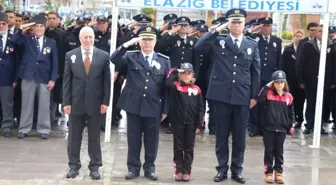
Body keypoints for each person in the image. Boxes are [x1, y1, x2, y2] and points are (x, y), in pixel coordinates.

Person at [194, 8, 260, 184]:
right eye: (233, 22)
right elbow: (198, 46)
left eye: (239, 22)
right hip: (221, 95)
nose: (236, 25)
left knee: (239, 136)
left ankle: (237, 170)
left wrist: (254, 96)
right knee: (221, 135)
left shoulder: (252, 44)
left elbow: (255, 72)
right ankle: (222, 169)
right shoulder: (219, 41)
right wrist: (216, 29)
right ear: (229, 24)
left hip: (242, 95)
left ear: (244, 24)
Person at [110, 26, 170, 181]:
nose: (147, 42)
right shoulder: (130, 56)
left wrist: (166, 108)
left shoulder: (164, 60)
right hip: (134, 104)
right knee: (133, 138)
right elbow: (113, 59)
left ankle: (150, 168)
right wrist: (126, 45)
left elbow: (167, 87)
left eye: (150, 39)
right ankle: (133, 168)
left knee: (152, 139)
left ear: (155, 41)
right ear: (139, 41)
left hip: (154, 105)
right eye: (144, 39)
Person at [63, 26, 111, 180]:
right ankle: (73, 165)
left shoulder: (103, 56)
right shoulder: (70, 55)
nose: (88, 40)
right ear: (80, 39)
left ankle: (95, 166)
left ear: (94, 38)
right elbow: (67, 81)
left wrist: (105, 101)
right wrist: (66, 102)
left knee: (94, 137)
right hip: (75, 102)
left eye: (91, 37)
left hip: (96, 104)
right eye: (85, 37)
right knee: (74, 137)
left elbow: (107, 82)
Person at [11, 15, 58, 139]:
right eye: (36, 26)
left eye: (41, 26)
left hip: (44, 76)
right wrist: (22, 28)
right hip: (28, 75)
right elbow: (14, 41)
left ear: (45, 27)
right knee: (26, 104)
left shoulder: (51, 42)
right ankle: (24, 128)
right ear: (33, 27)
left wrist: (53, 79)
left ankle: (44, 129)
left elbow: (55, 62)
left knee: (44, 104)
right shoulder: (27, 39)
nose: (39, 28)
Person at [166, 63, 204, 182]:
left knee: (189, 148)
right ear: (180, 75)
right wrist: (175, 70)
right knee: (178, 147)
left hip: (191, 124)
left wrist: (199, 124)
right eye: (183, 74)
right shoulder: (176, 86)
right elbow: (168, 81)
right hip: (178, 123)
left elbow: (200, 108)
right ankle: (178, 170)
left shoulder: (196, 89)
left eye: (188, 74)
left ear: (192, 75)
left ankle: (187, 170)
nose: (186, 76)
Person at [256, 70, 295, 184]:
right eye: (277, 82)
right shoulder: (268, 94)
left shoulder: (288, 97)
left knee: (279, 151)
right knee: (269, 151)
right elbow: (259, 100)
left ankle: (279, 172)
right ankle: (268, 172)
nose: (279, 85)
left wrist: (291, 124)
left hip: (282, 129)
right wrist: (266, 88)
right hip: (269, 128)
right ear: (273, 83)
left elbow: (291, 113)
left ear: (285, 83)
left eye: (282, 82)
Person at [248, 17, 282, 137]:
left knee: (268, 103)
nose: (266, 28)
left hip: (270, 77)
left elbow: (279, 60)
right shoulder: (253, 38)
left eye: (268, 26)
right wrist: (252, 31)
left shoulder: (276, 41)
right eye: (263, 25)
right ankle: (253, 127)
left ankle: (265, 127)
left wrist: (278, 77)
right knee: (255, 100)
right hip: (256, 76)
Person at [297, 24, 332, 135]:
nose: (321, 33)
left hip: (325, 81)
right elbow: (300, 63)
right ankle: (309, 124)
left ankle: (320, 125)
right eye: (319, 31)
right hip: (310, 80)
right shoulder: (307, 45)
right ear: (315, 33)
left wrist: (332, 81)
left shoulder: (331, 46)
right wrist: (301, 80)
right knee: (311, 103)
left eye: (323, 31)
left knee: (322, 104)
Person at [282, 30, 305, 128]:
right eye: (297, 36)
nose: (299, 38)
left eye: (301, 36)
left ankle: (299, 119)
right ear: (294, 37)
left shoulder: (305, 48)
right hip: (290, 79)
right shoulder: (288, 49)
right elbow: (283, 64)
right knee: (290, 99)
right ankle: (289, 118)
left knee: (300, 101)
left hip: (301, 80)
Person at [0, 13, 17, 138]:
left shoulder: (13, 39)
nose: (1, 26)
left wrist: (16, 78)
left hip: (8, 77)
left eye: (3, 24)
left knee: (7, 104)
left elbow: (18, 60)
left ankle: (7, 126)